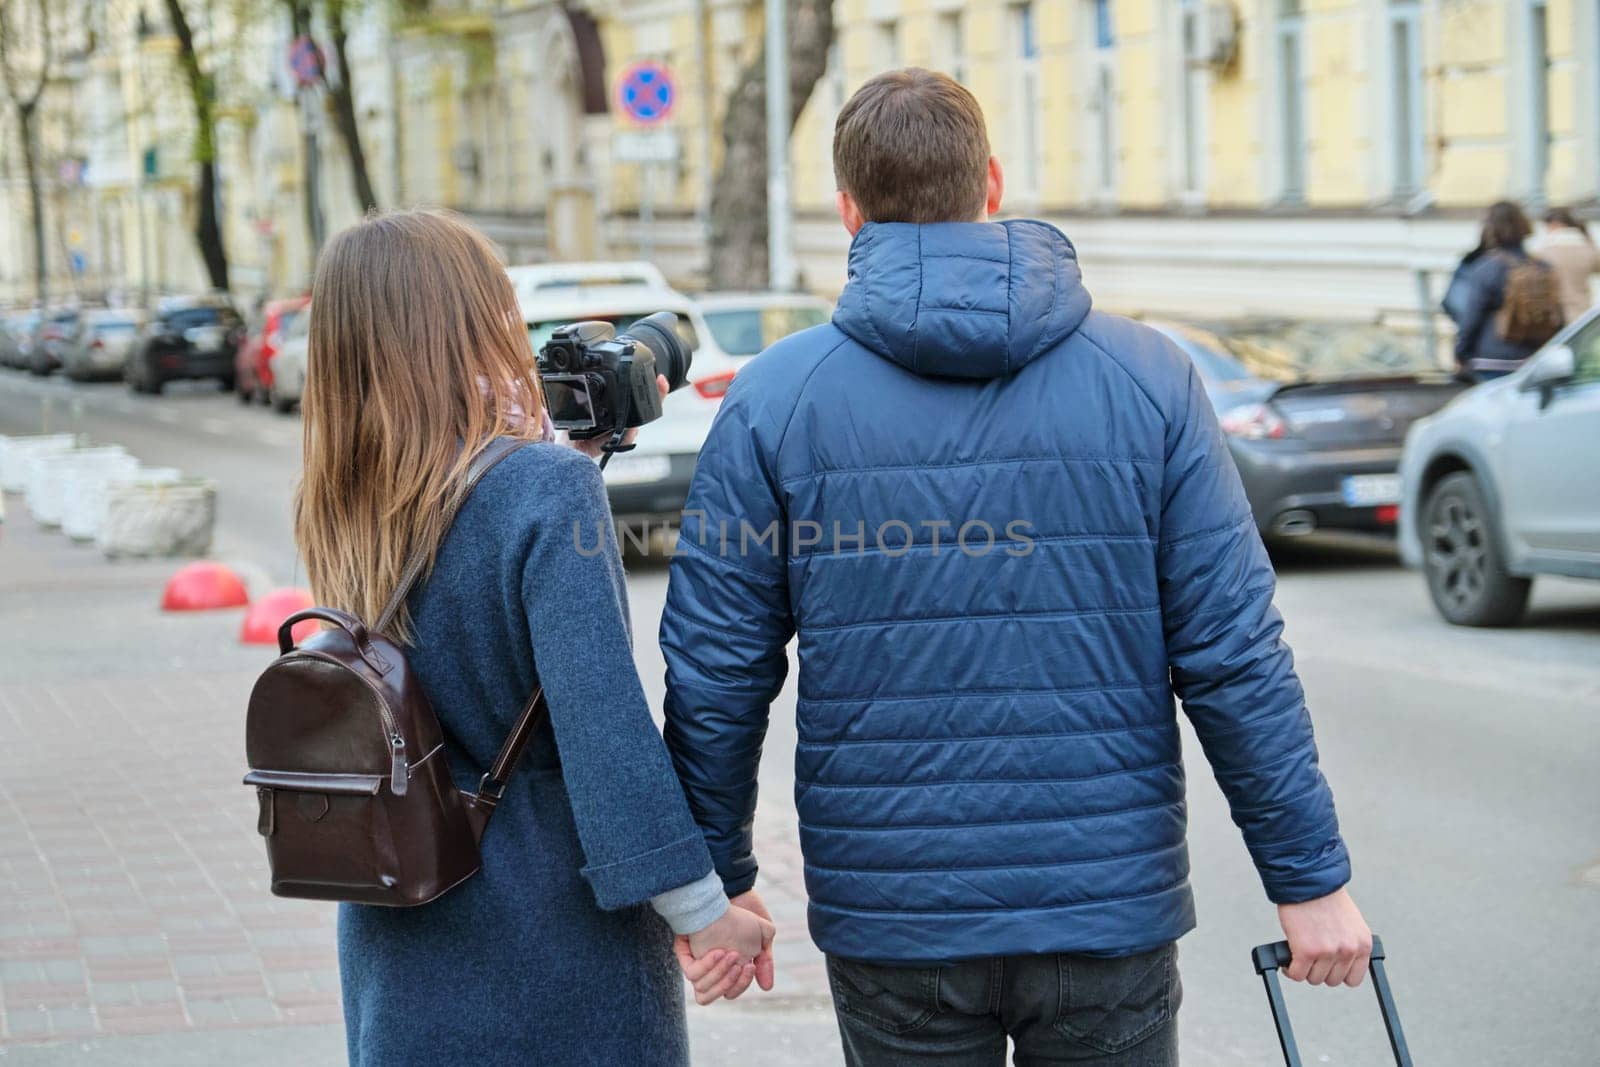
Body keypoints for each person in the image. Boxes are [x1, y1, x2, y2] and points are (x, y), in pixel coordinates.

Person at [660, 69, 1370, 1066]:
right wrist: (1308, 879)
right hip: (1104, 907)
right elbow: (1231, 652)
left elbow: (715, 666)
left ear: (848, 209)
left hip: (894, 911)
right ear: (991, 183)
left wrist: (718, 876)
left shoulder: (778, 397)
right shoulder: (1149, 376)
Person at [294, 209, 771, 1066]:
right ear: (467, 325)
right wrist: (708, 910)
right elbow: (604, 734)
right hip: (549, 947)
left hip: (399, 935)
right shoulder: (542, 492)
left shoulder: (341, 501)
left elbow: (446, 639)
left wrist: (568, 463)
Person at [1452, 200, 1563, 381]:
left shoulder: (1486, 267)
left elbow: (1472, 317)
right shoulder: (1542, 267)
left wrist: (1460, 353)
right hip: (1533, 361)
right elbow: (1558, 317)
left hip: (1492, 360)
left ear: (1490, 229)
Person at [1534, 207, 1599, 325]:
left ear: (1554, 225)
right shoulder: (1588, 248)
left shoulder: (1544, 253)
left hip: (1557, 315)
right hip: (1584, 313)